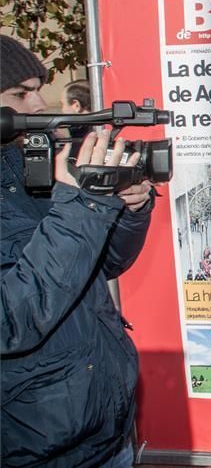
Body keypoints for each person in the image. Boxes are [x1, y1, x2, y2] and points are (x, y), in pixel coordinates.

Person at [1, 36, 155, 468]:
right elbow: (11, 320)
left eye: (38, 88)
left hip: (104, 429)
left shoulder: (30, 161)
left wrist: (128, 211)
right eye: (19, 93)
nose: (38, 103)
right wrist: (83, 205)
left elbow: (102, 264)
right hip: (34, 446)